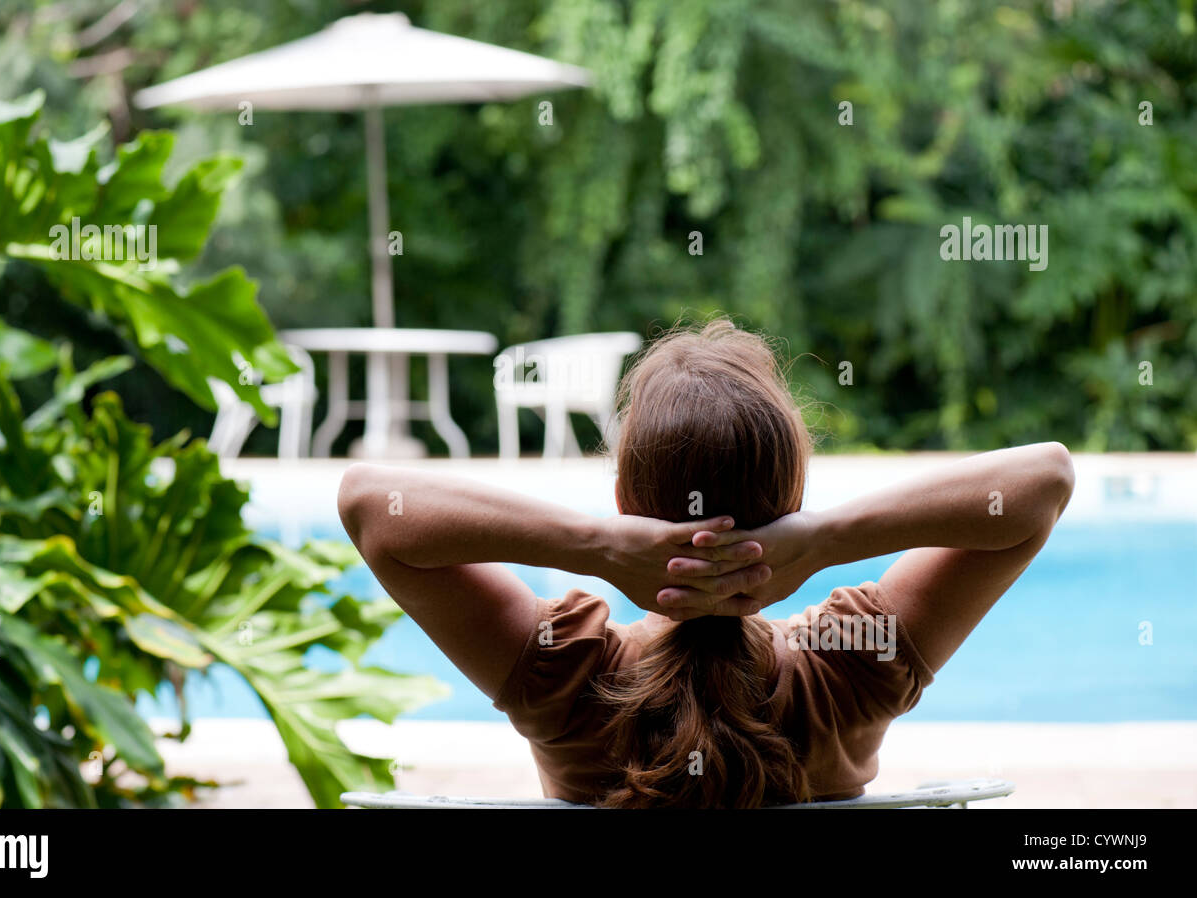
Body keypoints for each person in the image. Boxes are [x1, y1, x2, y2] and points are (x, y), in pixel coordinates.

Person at [338, 319, 1074, 808]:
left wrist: (594, 546)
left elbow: (371, 505)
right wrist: (820, 540)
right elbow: (1044, 482)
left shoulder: (564, 670)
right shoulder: (852, 662)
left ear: (626, 499)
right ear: (793, 498)